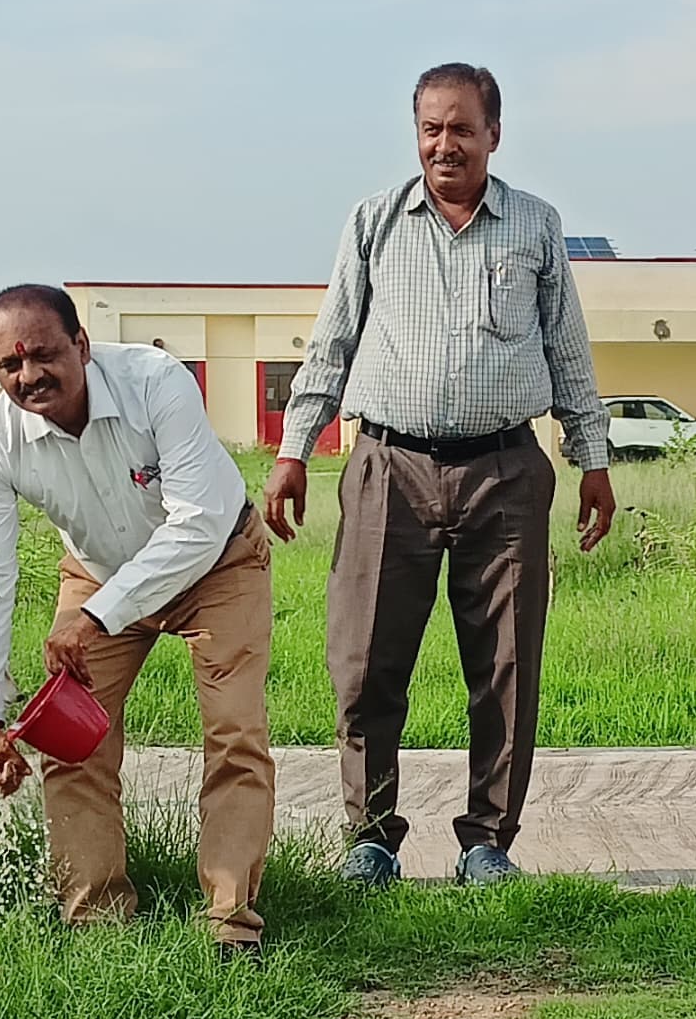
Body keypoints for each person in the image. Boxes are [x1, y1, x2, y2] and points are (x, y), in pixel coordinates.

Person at [262, 62, 616, 888]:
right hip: (389, 466)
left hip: (506, 473)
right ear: (415, 133)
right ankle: (371, 837)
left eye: (462, 127)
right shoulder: (374, 222)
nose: (445, 144)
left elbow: (568, 350)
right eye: (431, 128)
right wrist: (293, 450)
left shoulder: (533, 226)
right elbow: (331, 344)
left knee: (506, 665)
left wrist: (592, 459)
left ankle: (487, 842)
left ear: (495, 133)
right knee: (365, 660)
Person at [0, 285, 276, 953]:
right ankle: (95, 919)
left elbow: (197, 522)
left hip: (218, 561)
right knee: (70, 743)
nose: (28, 376)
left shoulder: (156, 382)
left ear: (82, 344)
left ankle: (229, 924)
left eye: (43, 355)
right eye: (8, 366)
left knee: (234, 733)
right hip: (98, 575)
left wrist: (95, 618)